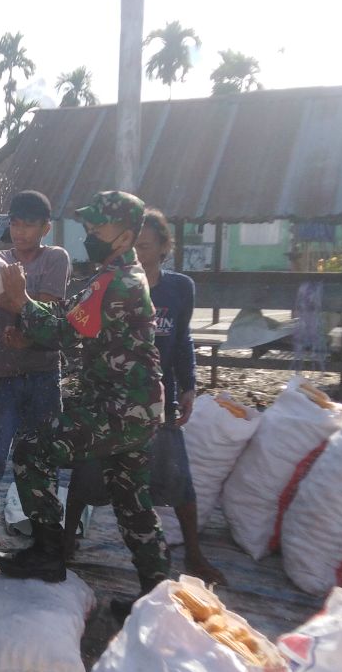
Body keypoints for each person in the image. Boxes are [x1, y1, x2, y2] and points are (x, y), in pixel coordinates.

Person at [0, 191, 167, 612]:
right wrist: (31, 329)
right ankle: (157, 605)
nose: (89, 234)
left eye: (98, 228)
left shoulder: (118, 281)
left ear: (124, 236)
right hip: (136, 409)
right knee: (134, 506)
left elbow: (64, 332)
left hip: (119, 410)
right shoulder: (118, 274)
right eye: (87, 227)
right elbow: (73, 318)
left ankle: (48, 552)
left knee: (32, 447)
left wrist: (20, 302)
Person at [62, 212, 226, 587]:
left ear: (165, 248)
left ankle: (195, 556)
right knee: (87, 474)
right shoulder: (109, 284)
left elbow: (182, 340)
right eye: (131, 244)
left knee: (177, 480)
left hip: (156, 402)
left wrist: (188, 385)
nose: (137, 251)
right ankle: (66, 540)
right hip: (107, 398)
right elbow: (80, 333)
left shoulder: (179, 289)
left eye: (146, 246)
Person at [0, 190, 70, 541]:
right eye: (15, 223)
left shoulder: (55, 258)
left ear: (45, 228)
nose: (20, 231)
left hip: (43, 375)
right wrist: (19, 303)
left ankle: (47, 540)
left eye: (29, 225)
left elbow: (45, 309)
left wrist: (18, 309)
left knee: (41, 461)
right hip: (4, 378)